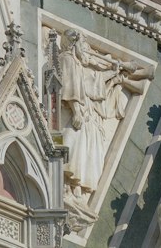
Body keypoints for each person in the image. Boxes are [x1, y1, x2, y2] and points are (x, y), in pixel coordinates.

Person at [58, 29, 149, 199]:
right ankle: (64, 186)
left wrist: (115, 75)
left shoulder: (78, 64)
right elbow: (71, 86)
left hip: (89, 117)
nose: (88, 52)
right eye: (84, 47)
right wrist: (76, 110)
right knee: (70, 146)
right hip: (78, 115)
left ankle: (75, 187)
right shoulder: (67, 59)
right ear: (73, 45)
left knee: (85, 153)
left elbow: (94, 86)